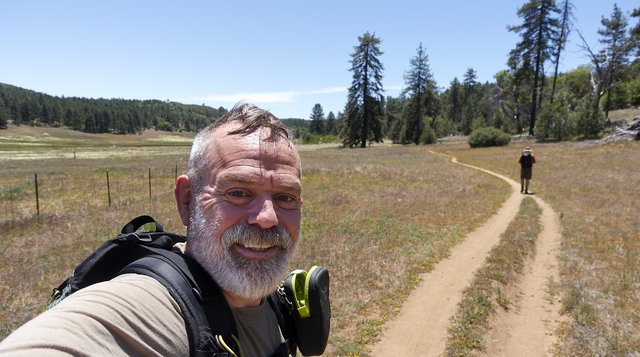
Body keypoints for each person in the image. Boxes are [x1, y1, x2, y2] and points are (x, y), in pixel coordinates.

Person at [0, 103, 304, 356]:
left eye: (286, 197)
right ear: (187, 201)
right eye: (238, 193)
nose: (267, 217)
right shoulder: (148, 307)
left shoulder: (276, 304)